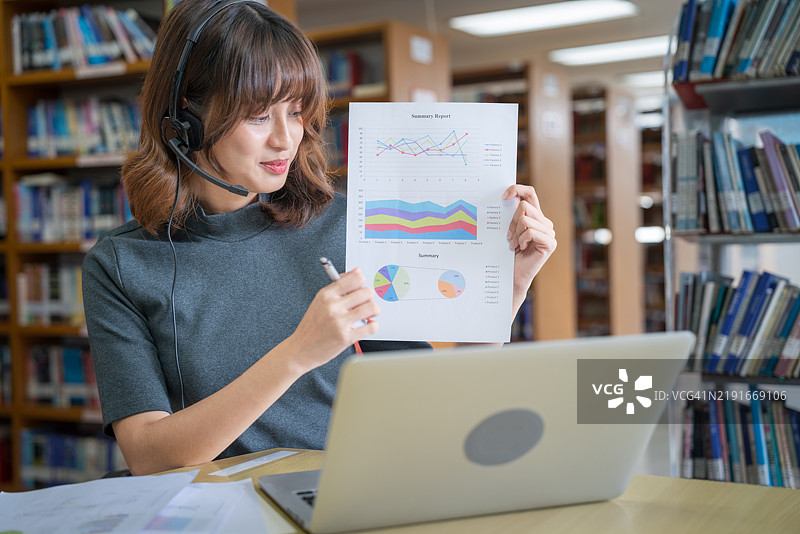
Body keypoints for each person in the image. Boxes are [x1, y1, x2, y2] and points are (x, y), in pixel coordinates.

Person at [82, 0, 556, 476]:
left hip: (337, 493)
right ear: (186, 118)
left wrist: (509, 289)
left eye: (296, 112)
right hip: (215, 506)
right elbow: (147, 455)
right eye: (258, 115)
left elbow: (431, 403)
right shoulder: (120, 265)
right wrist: (297, 354)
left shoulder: (345, 225)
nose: (285, 139)